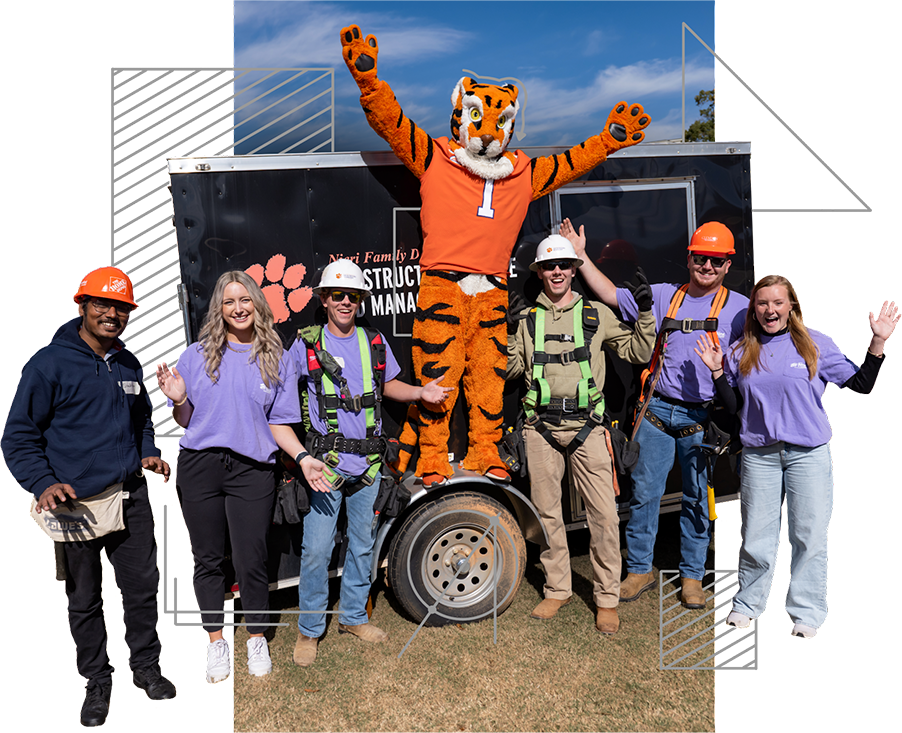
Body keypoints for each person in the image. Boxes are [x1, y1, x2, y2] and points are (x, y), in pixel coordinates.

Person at [1, 267, 176, 727]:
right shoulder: (49, 364)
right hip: (74, 503)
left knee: (140, 590)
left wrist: (148, 453)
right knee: (85, 600)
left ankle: (146, 671)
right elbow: (18, 436)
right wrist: (42, 484)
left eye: (121, 307)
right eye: (102, 304)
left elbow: (140, 421)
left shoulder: (127, 364)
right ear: (81, 306)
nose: (112, 314)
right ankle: (97, 682)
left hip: (130, 496)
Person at [561, 218, 750, 609]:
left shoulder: (740, 310)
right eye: (701, 258)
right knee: (645, 495)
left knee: (699, 499)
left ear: (728, 265)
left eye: (717, 261)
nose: (708, 267)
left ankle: (692, 577)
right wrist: (579, 257)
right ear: (690, 258)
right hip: (657, 412)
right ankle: (640, 569)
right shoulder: (665, 295)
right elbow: (612, 295)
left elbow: (774, 341)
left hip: (703, 418)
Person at [695, 275, 898, 638]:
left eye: (777, 302)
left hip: (808, 455)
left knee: (808, 535)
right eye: (762, 303)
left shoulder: (814, 345)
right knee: (757, 536)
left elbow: (861, 384)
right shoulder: (741, 350)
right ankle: (747, 605)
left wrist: (879, 338)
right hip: (760, 455)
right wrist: (716, 373)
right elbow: (736, 408)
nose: (769, 310)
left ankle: (806, 612)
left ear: (791, 306)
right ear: (753, 309)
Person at [287, 259, 452, 666]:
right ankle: (310, 630)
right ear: (324, 299)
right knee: (317, 550)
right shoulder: (306, 344)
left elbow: (388, 384)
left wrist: (420, 393)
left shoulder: (373, 342)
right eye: (338, 295)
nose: (346, 302)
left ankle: (354, 617)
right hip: (325, 467)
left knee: (362, 546)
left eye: (353, 296)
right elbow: (278, 389)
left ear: (360, 300)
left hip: (371, 467)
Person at [154, 270, 311, 683]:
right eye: (229, 301)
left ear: (257, 304)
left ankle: (256, 636)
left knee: (250, 558)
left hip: (252, 470)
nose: (238, 308)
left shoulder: (276, 356)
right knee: (207, 559)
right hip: (200, 466)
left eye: (245, 300)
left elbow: (279, 424)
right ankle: (217, 640)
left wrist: (303, 456)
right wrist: (180, 398)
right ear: (219, 309)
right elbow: (186, 420)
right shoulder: (195, 355)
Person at [506, 235, 656, 633]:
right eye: (549, 267)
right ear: (539, 272)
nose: (557, 272)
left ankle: (606, 598)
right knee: (546, 515)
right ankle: (558, 588)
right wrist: (507, 335)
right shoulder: (527, 320)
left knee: (605, 518)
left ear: (574, 270)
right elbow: (513, 371)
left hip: (589, 427)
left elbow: (637, 353)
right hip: (540, 429)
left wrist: (644, 313)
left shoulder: (595, 314)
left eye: (564, 266)